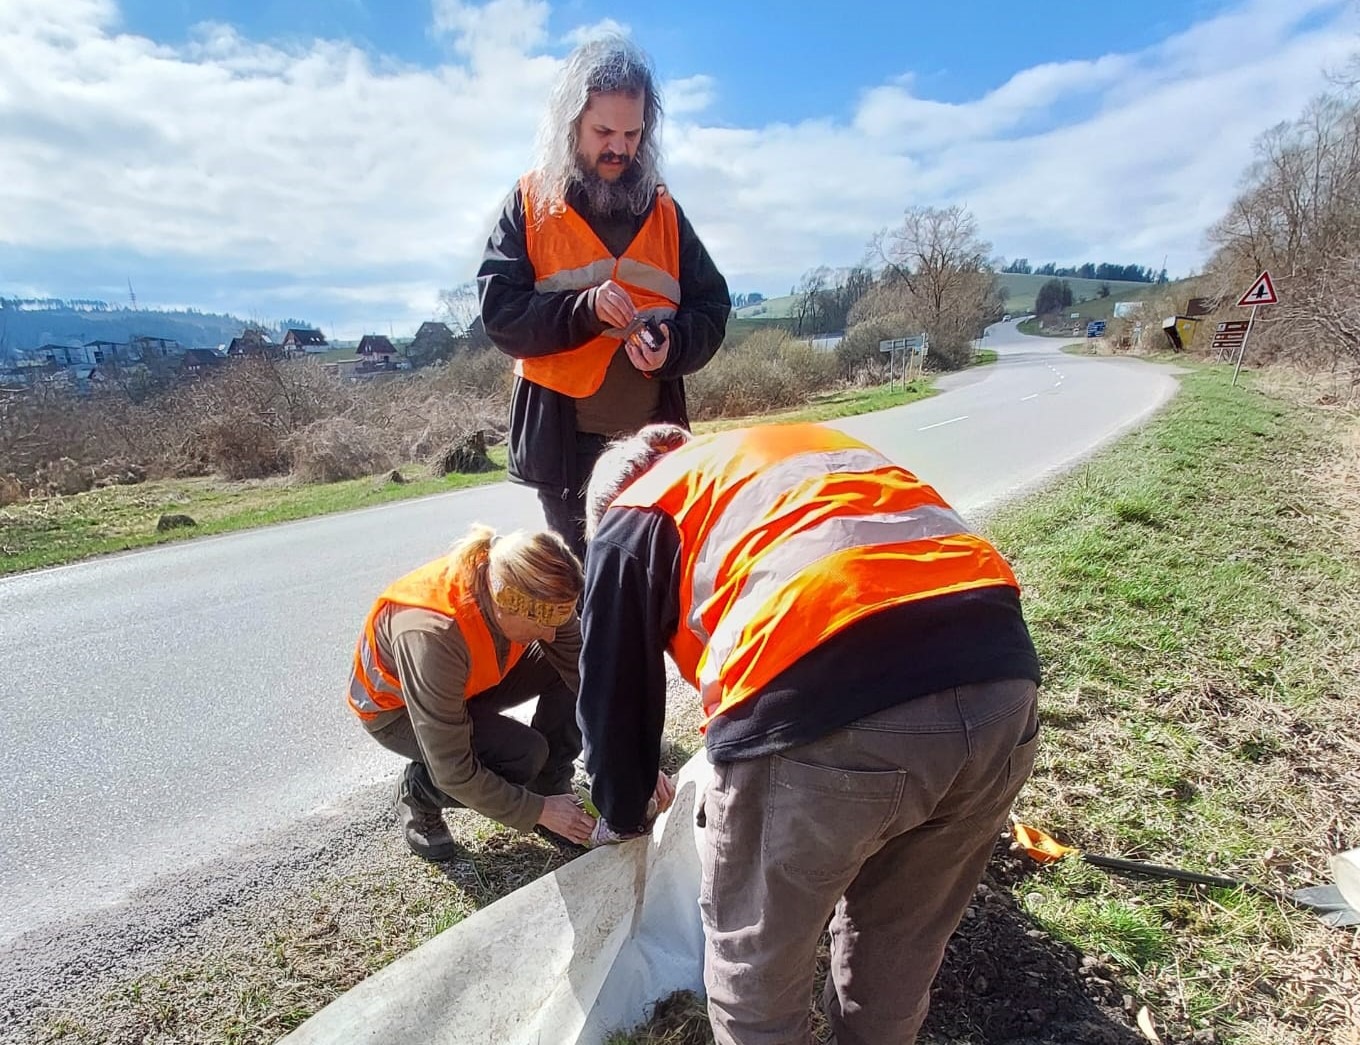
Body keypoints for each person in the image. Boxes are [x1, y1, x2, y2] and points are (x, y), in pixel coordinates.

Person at [577, 422, 1043, 1045]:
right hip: (1002, 691)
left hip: (825, 714)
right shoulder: (795, 455)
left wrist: (623, 810)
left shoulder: (634, 514)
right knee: (900, 948)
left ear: (614, 501)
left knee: (757, 965)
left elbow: (613, 691)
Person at [477, 34, 730, 560]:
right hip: (566, 454)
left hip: (652, 445)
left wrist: (672, 346)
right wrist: (583, 310)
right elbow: (501, 315)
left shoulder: (663, 209)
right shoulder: (529, 204)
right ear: (571, 124)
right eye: (603, 131)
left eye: (633, 133)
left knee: (655, 591)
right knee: (586, 596)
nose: (619, 146)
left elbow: (712, 306)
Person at [346, 525, 597, 858]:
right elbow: (455, 770)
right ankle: (419, 789)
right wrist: (535, 811)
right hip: (396, 711)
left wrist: (634, 756)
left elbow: (589, 678)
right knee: (523, 755)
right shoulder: (432, 634)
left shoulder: (530, 589)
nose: (552, 634)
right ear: (507, 605)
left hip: (463, 681)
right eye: (542, 625)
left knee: (573, 665)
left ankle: (548, 785)